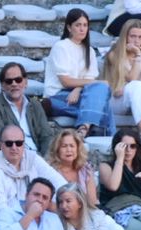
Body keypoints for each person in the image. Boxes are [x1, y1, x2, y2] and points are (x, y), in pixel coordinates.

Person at [46, 8, 115, 139]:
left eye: (85, 25)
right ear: (69, 27)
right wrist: (96, 82)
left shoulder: (89, 51)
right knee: (102, 99)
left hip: (80, 95)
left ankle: (84, 127)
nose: (82, 29)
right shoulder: (61, 46)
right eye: (78, 25)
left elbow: (88, 81)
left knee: (100, 96)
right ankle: (111, 138)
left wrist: (77, 89)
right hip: (58, 96)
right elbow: (65, 81)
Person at [0, 125, 66, 219]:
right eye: (9, 143)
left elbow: (60, 183)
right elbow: (0, 211)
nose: (14, 147)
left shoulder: (32, 159)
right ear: (1, 145)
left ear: (24, 144)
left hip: (38, 216)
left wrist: (59, 205)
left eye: (18, 143)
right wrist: (29, 218)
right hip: (11, 224)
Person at [103, 18, 141, 137]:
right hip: (116, 100)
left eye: (140, 37)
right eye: (132, 36)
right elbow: (131, 78)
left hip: (135, 98)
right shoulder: (114, 54)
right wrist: (137, 54)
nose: (136, 40)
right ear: (125, 36)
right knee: (135, 85)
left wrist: (126, 86)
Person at [0, 64, 56, 158]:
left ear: (25, 82)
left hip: (40, 157)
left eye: (18, 80)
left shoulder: (35, 105)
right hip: (14, 158)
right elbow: (2, 138)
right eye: (9, 81)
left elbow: (46, 136)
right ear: (2, 85)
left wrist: (46, 159)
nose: (14, 84)